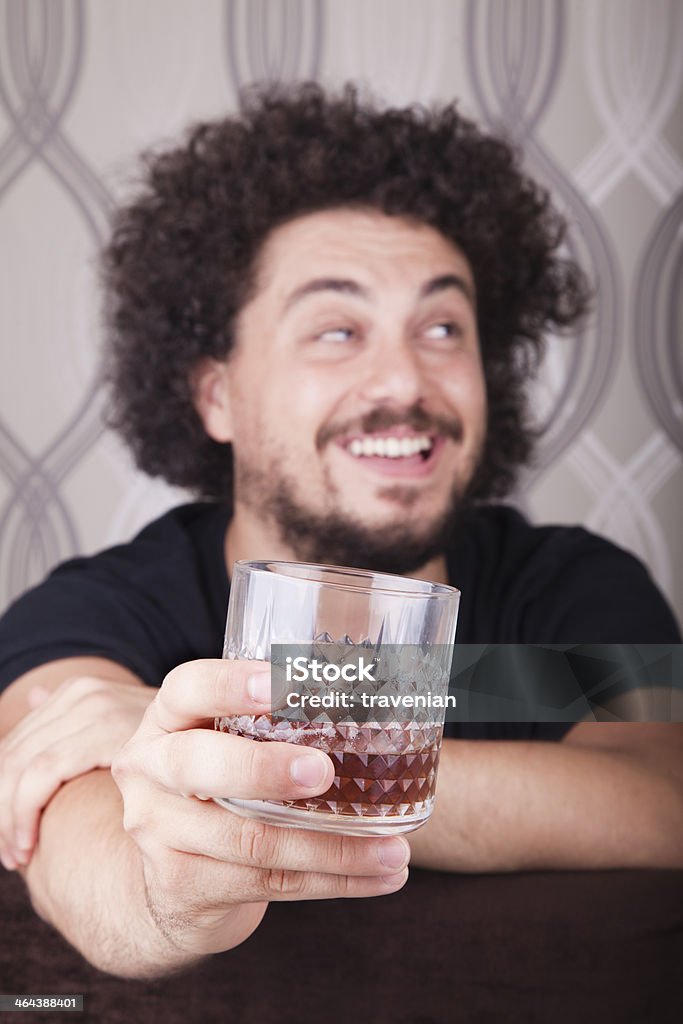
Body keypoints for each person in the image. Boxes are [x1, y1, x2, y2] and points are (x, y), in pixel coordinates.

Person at [0, 82, 681, 979]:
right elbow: (81, 841)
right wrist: (170, 899)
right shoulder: (100, 609)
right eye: (335, 329)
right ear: (217, 395)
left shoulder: (568, 585)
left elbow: (659, 795)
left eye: (442, 326)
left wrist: (229, 757)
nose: (403, 381)